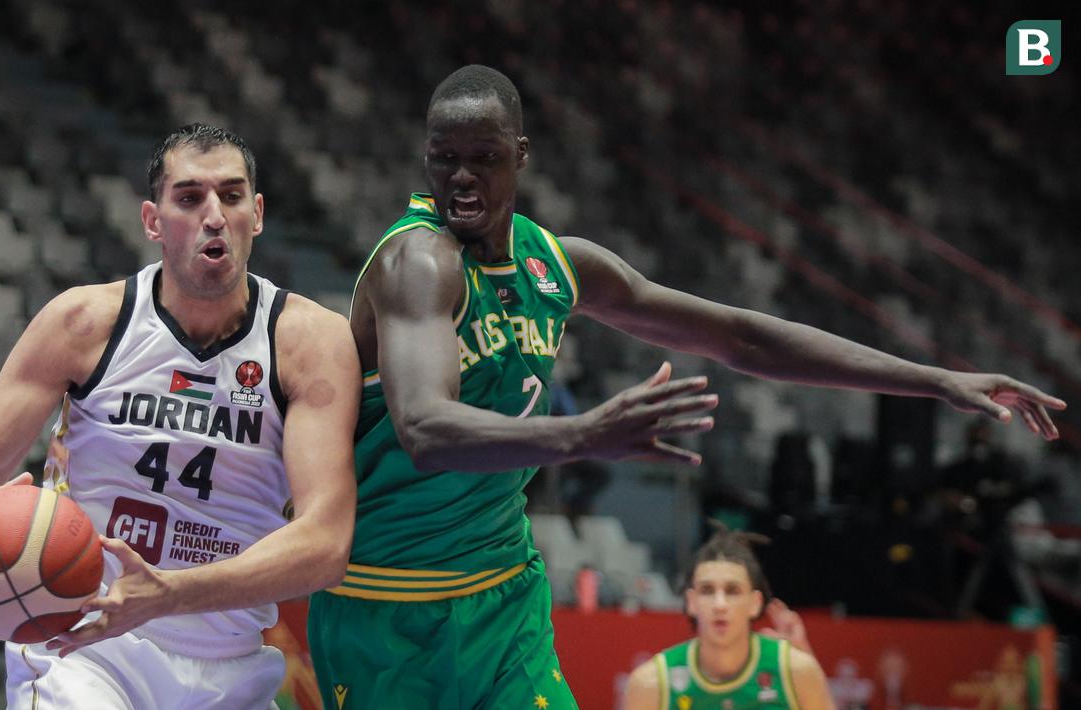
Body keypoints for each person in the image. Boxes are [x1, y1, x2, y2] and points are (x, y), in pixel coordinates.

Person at [306, 64, 1066, 708]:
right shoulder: (419, 263)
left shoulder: (555, 264)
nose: (461, 178)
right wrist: (583, 436)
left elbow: (738, 336)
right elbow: (425, 430)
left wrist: (936, 380)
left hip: (504, 594)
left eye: (483, 157)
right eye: (444, 159)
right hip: (386, 604)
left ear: (521, 155)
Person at [0, 123, 360, 709]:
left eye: (230, 196)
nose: (213, 215)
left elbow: (326, 546)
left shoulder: (309, 343)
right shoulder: (83, 323)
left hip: (230, 661)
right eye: (189, 197)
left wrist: (168, 593)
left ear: (256, 215)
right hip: (82, 650)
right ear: (153, 220)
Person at [622, 528, 833, 710]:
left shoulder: (796, 672)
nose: (719, 604)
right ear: (692, 602)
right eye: (707, 590)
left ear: (755, 603)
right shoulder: (651, 684)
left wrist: (806, 655)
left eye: (732, 590)